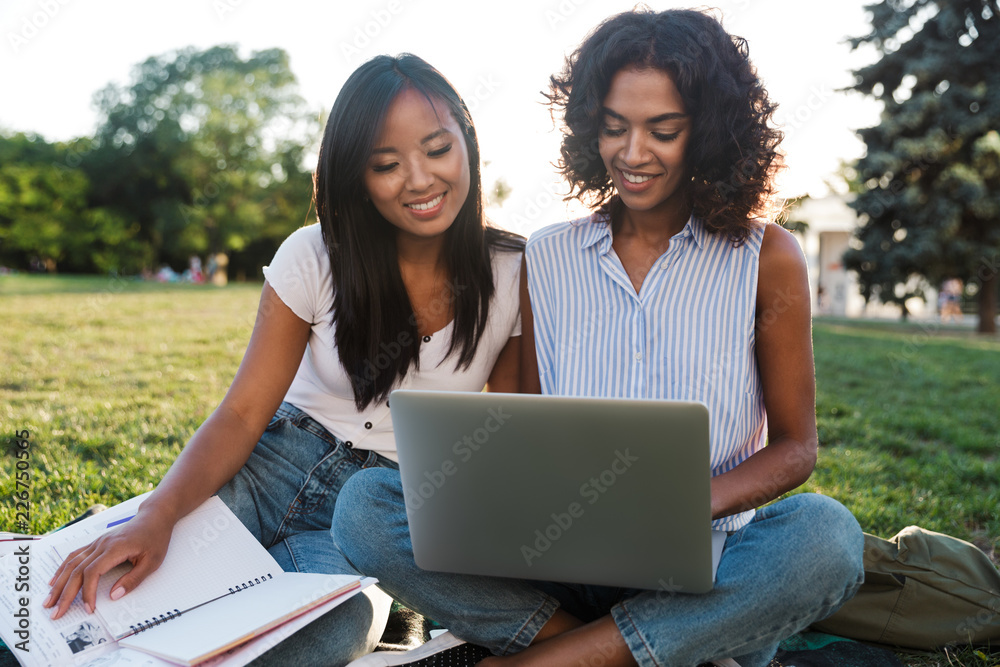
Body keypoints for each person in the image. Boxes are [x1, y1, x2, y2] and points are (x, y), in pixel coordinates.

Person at [334, 9, 864, 667]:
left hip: (709, 562)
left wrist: (684, 505)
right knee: (363, 507)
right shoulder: (550, 256)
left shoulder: (767, 256)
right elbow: (520, 428)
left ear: (710, 133)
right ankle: (616, 649)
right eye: (614, 127)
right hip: (566, 565)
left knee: (828, 537)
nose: (632, 153)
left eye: (662, 130)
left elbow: (795, 446)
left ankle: (541, 659)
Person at [42, 53, 524, 666]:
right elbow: (243, 414)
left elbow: (507, 437)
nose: (420, 178)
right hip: (272, 463)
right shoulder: (315, 254)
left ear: (468, 144)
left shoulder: (512, 271)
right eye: (386, 164)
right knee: (106, 591)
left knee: (334, 629)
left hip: (376, 508)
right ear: (357, 176)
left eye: (437, 149)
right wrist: (160, 513)